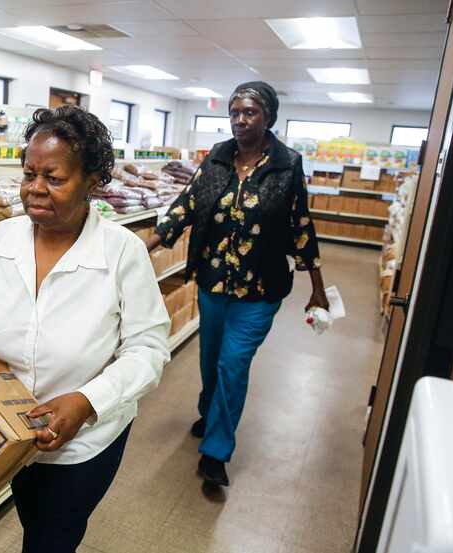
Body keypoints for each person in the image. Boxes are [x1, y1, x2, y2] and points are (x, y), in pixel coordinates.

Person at [0, 105, 170, 552]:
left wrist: (87, 401)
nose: (35, 190)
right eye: (29, 174)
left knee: (52, 537)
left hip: (84, 442)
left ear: (93, 182)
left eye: (55, 178)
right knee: (33, 517)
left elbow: (148, 348)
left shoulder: (122, 252)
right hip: (6, 430)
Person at [146, 81, 329, 491]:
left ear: (268, 117)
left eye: (250, 113)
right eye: (234, 113)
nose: (240, 120)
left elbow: (301, 226)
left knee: (233, 365)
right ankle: (208, 410)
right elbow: (186, 205)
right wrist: (145, 249)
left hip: (260, 292)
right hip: (214, 284)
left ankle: (215, 451)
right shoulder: (217, 159)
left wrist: (317, 286)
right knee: (210, 361)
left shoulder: (286, 165)